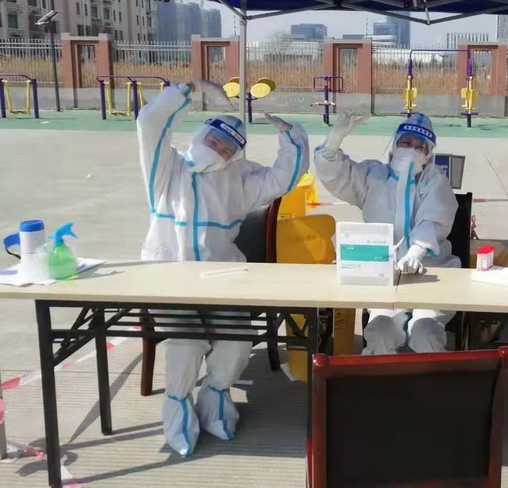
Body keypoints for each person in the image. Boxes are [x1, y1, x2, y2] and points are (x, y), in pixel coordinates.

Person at [136, 79, 309, 456]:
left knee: (237, 338)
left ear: (235, 157)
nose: (219, 150)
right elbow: (150, 122)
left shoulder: (240, 181)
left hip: (222, 279)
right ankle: (178, 407)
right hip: (168, 280)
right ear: (201, 136)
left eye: (228, 149)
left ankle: (215, 398)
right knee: (187, 341)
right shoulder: (166, 168)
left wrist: (291, 138)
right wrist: (188, 89)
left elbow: (283, 178)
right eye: (214, 141)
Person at [315, 112, 459, 354]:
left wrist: (417, 251)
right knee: (381, 330)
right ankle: (380, 377)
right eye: (406, 142)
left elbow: (434, 220)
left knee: (425, 331)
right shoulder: (373, 176)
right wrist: (333, 142)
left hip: (432, 272)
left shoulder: (434, 180)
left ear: (428, 153)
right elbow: (338, 177)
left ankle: (430, 377)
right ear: (395, 144)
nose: (411, 149)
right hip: (382, 272)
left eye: (419, 146)